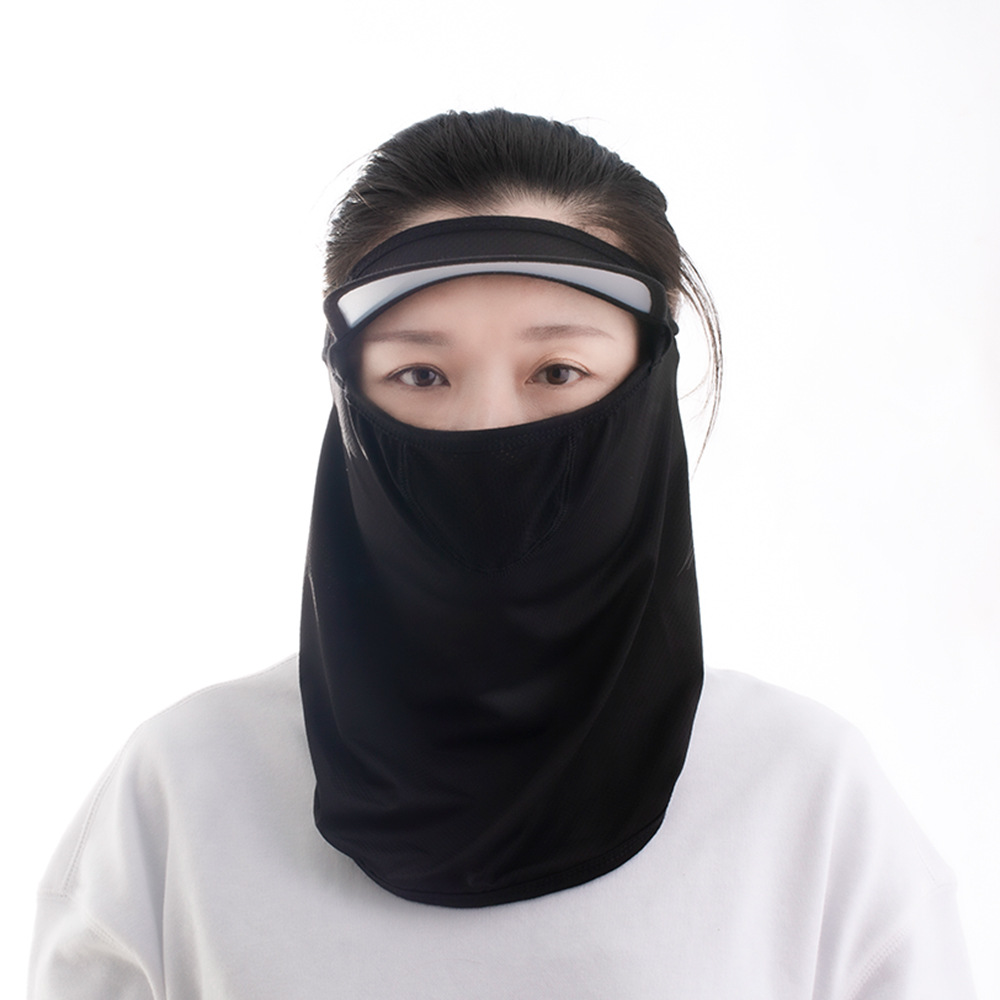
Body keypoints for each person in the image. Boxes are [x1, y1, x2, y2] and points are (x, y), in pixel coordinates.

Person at [29, 109, 976, 997]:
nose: (488, 426)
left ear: (648, 385)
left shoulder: (805, 797)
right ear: (348, 392)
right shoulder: (182, 791)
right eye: (421, 373)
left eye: (557, 371)